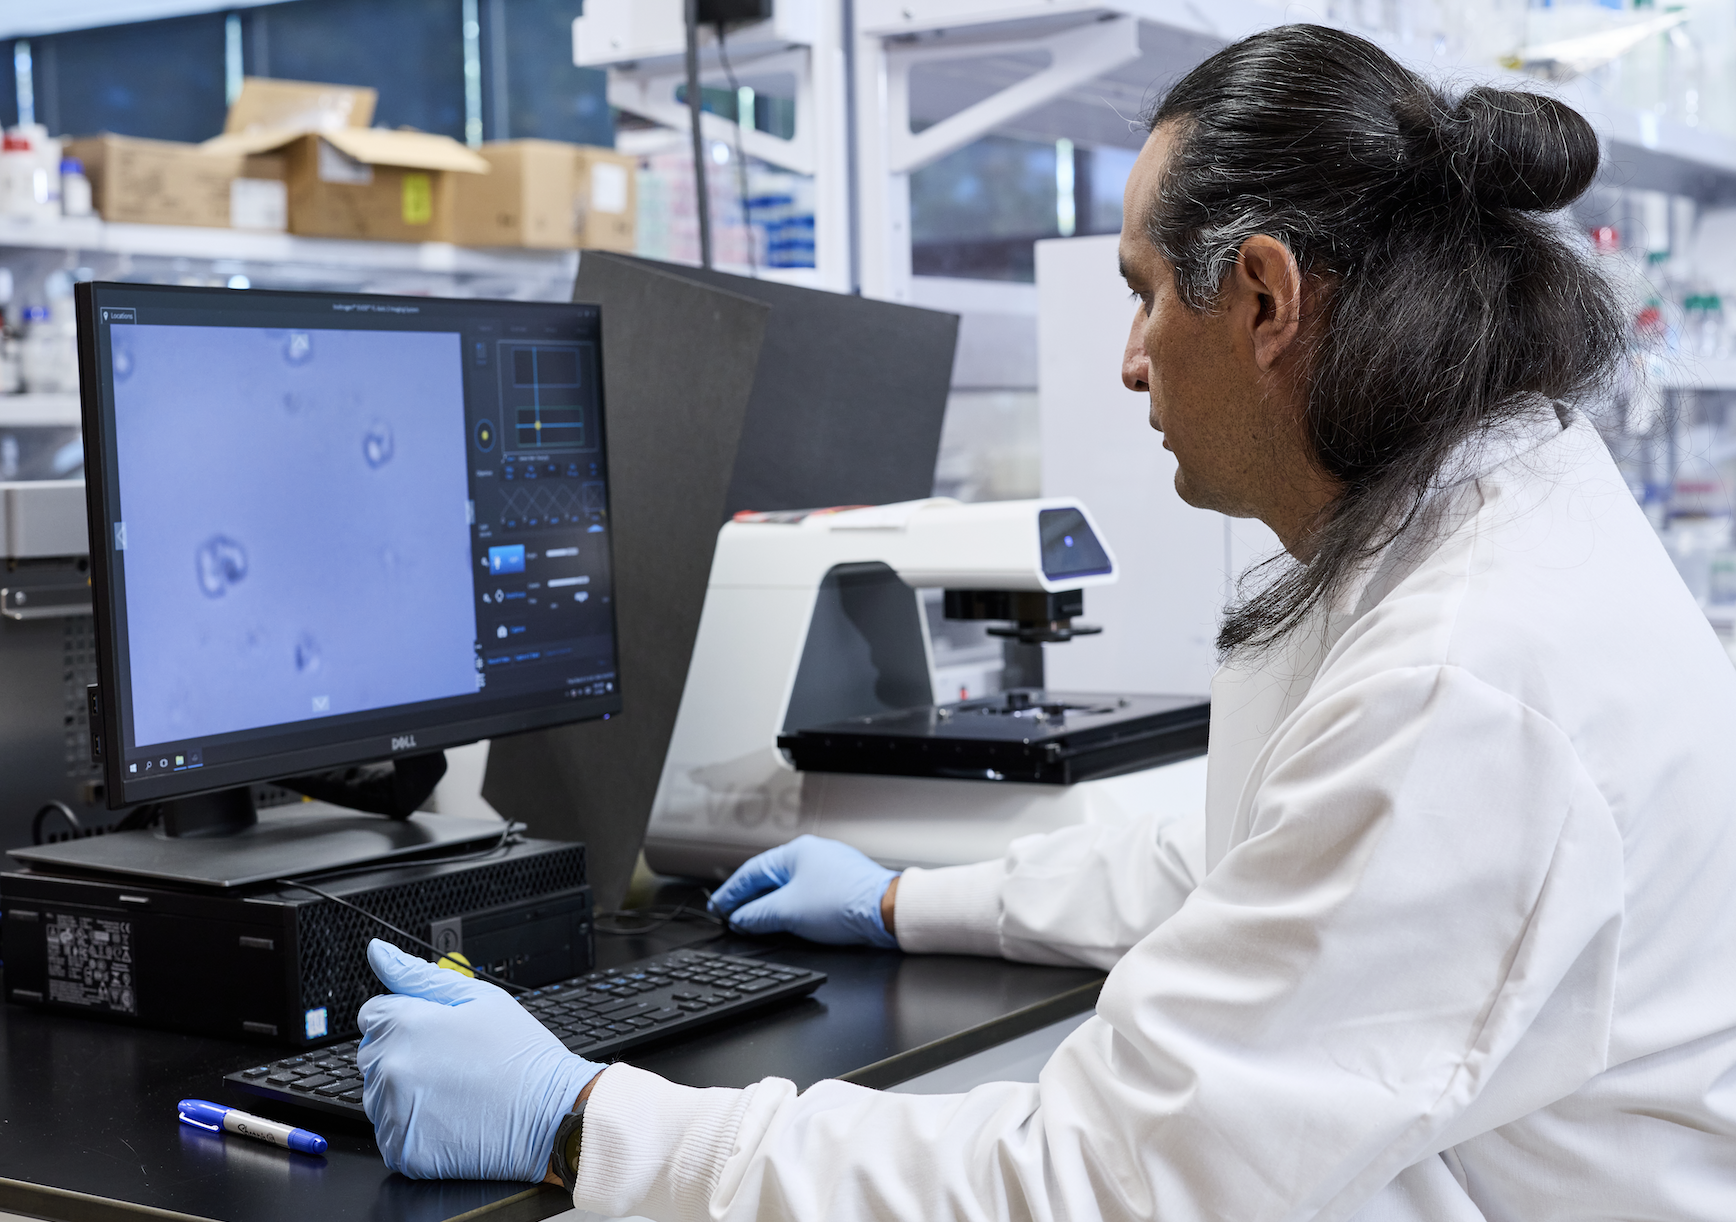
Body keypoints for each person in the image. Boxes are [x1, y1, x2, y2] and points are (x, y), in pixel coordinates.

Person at [356, 23, 1736, 1220]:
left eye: (1141, 293)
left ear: (1263, 297)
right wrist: (912, 901)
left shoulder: (1467, 678)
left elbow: (1090, 1179)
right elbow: (1254, 867)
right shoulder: (1467, 506)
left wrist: (588, 1117)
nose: (1129, 358)